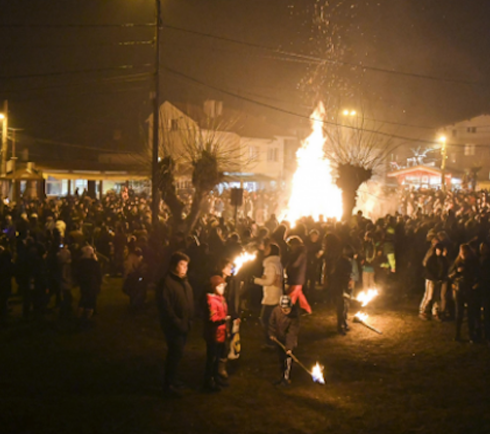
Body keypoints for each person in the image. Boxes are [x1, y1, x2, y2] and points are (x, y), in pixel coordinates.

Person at [156, 252, 194, 398]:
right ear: (173, 265)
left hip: (184, 324)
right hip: (174, 326)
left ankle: (174, 379)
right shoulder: (166, 283)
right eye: (182, 265)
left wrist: (189, 320)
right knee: (174, 353)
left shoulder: (184, 282)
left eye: (186, 265)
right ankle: (169, 384)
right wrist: (177, 322)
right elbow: (165, 307)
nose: (185, 268)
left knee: (178, 354)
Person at [203, 275, 230, 392]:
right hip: (213, 334)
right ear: (214, 287)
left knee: (217, 357)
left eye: (223, 286)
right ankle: (208, 381)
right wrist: (223, 319)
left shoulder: (221, 298)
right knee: (212, 358)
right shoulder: (211, 300)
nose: (222, 288)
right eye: (219, 286)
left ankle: (216, 378)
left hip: (221, 333)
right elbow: (212, 318)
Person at [254, 243, 283, 349]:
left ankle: (270, 343)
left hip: (271, 296)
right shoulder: (277, 263)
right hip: (276, 294)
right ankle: (276, 340)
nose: (265, 250)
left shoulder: (270, 264)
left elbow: (269, 281)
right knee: (273, 320)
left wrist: (255, 280)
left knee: (265, 319)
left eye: (267, 248)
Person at [449, 244, 480, 342]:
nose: (463, 255)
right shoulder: (458, 262)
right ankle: (457, 334)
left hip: (469, 289)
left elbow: (477, 274)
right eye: (462, 253)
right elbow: (450, 275)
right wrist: (457, 272)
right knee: (459, 312)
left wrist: (475, 283)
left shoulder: (473, 262)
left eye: (465, 253)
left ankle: (471, 334)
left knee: (471, 312)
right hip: (459, 289)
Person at [269, 295, 299, 387]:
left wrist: (289, 347)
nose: (285, 311)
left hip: (289, 340)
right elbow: (272, 323)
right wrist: (272, 334)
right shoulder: (276, 311)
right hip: (279, 338)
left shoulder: (294, 316)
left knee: (288, 359)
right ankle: (281, 375)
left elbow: (292, 333)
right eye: (283, 309)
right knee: (281, 358)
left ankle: (286, 378)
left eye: (287, 309)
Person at [419, 243, 449, 321]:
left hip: (439, 280)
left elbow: (445, 269)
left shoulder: (443, 259)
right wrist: (434, 277)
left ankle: (435, 312)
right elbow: (428, 270)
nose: (439, 251)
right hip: (431, 279)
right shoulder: (431, 259)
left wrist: (441, 278)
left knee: (437, 296)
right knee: (429, 296)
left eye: (440, 250)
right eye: (438, 250)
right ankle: (423, 310)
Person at [285, 236, 312, 314]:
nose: (290, 247)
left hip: (297, 277)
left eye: (291, 245)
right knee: (299, 294)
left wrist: (288, 266)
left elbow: (295, 264)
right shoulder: (300, 252)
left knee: (291, 294)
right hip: (297, 277)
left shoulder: (299, 253)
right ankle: (306, 309)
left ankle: (286, 309)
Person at [331, 247, 354, 335]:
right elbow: (338, 276)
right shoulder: (341, 263)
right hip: (340, 287)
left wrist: (349, 282)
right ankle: (340, 326)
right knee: (341, 307)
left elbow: (348, 275)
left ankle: (344, 323)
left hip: (344, 287)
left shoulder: (346, 262)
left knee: (346, 306)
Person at [76, 245, 102, 321]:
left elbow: (78, 273)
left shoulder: (81, 263)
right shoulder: (94, 263)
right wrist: (99, 282)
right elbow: (98, 274)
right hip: (92, 283)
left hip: (84, 283)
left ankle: (80, 314)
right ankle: (88, 316)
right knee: (91, 298)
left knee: (83, 297)